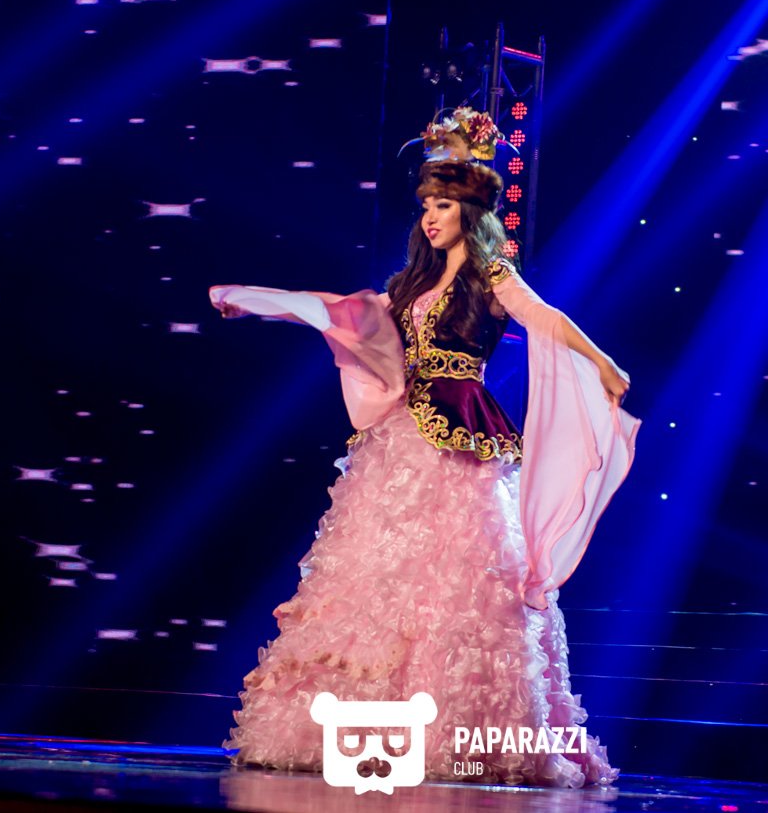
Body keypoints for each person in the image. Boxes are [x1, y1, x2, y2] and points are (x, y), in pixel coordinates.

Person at [208, 115, 641, 788]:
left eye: (442, 205)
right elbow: (345, 314)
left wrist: (603, 362)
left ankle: (451, 723)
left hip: (461, 437)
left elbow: (546, 318)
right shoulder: (412, 283)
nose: (431, 217)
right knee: (379, 572)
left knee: (458, 578)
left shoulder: (491, 276)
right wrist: (261, 302)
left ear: (468, 210)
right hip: (401, 439)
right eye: (426, 206)